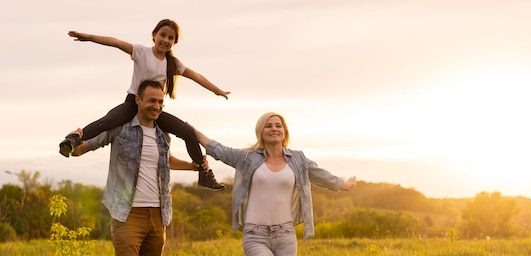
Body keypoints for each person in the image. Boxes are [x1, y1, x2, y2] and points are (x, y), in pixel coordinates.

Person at [59, 18, 228, 191]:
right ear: (154, 35)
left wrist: (217, 90)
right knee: (109, 121)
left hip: (154, 109)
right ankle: (74, 139)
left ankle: (204, 173)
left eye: (170, 38)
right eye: (162, 35)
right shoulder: (141, 52)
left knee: (188, 133)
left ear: (174, 42)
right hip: (133, 103)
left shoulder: (172, 64)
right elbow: (116, 42)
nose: (166, 40)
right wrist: (88, 37)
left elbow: (196, 76)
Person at [69, 80, 208, 256]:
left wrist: (192, 167)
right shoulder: (119, 128)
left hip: (159, 214)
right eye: (151, 101)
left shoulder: (162, 133)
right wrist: (72, 145)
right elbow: (82, 148)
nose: (156, 106)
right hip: (128, 214)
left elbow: (165, 161)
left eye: (160, 102)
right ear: (138, 100)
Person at [194, 112, 357, 256]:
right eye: (268, 126)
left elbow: (320, 174)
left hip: (285, 234)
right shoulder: (246, 158)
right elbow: (219, 149)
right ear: (261, 132)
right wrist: (186, 129)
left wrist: (342, 184)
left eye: (278, 125)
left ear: (284, 132)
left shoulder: (298, 159)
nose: (274, 129)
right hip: (255, 234)